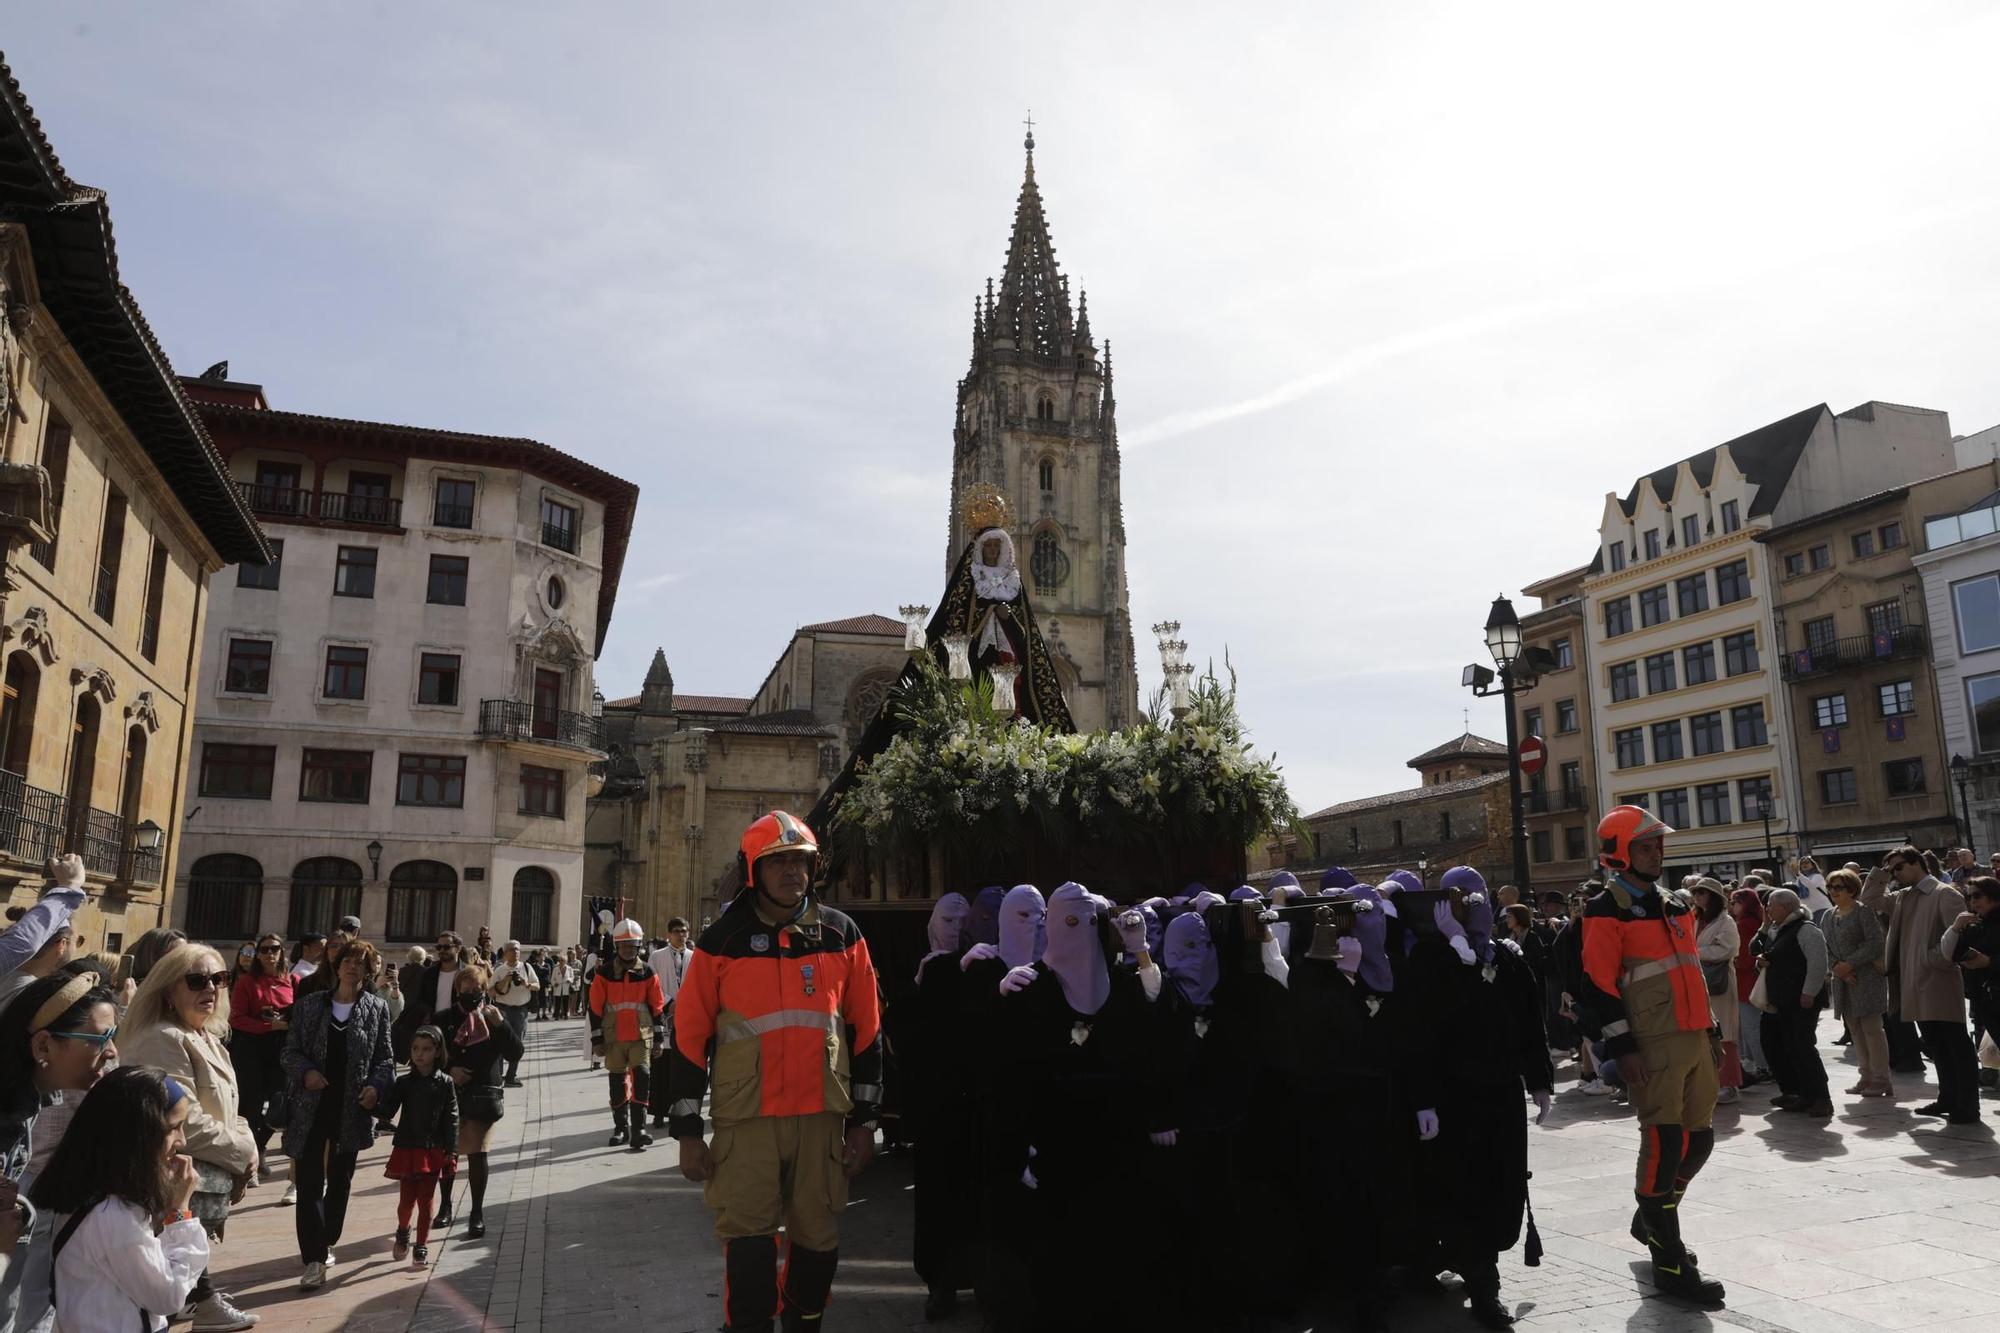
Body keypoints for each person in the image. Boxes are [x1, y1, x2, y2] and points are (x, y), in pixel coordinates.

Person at [669, 810, 882, 1333]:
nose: (792, 871)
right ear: (753, 871)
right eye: (777, 861)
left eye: (800, 861)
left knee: (818, 1239)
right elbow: (687, 1041)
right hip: (749, 1122)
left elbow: (869, 1030)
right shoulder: (721, 941)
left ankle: (803, 1323)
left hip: (820, 1118)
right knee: (748, 1244)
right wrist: (687, 1133)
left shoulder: (842, 935)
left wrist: (866, 1121)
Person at [1572, 807, 1725, 1305]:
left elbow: (1692, 970)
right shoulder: (1605, 907)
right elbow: (1596, 983)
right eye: (1645, 845)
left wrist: (1712, 1031)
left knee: (1698, 1142)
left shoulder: (1675, 903)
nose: (1656, 853)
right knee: (1662, 1146)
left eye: (1659, 844)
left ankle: (1650, 1218)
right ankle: (1669, 1260)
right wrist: (1622, 1045)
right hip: (1651, 1042)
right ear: (1619, 852)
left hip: (1693, 1036)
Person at [120, 942, 259, 1332]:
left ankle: (196, 1298)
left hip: (200, 1170)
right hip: (169, 1173)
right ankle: (201, 1301)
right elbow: (185, 1121)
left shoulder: (205, 1035)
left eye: (219, 979)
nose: (211, 989)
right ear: (168, 990)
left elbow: (231, 1108)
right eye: (197, 980)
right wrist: (244, 1152)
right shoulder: (163, 1038)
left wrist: (247, 1147)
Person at [28, 1067, 209, 1333]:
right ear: (139, 1136)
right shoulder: (113, 1215)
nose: (181, 1140)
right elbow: (168, 1297)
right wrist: (180, 1214)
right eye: (173, 1128)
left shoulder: (93, 1198)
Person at [0, 973, 118, 1333]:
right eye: (99, 1039)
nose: (111, 1051)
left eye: (113, 1036)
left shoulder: (25, 1108)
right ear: (43, 1047)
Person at [280, 939, 394, 1290]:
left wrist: (376, 1086)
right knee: (310, 1180)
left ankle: (327, 1237)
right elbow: (289, 1052)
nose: (353, 967)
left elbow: (386, 1058)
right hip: (311, 1106)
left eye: (362, 962)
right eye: (348, 960)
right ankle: (314, 1258)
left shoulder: (376, 1009)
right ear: (337, 965)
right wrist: (306, 1073)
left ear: (369, 970)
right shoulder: (311, 1005)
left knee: (340, 1180)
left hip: (351, 1108)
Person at [1883, 847, 1982, 1122]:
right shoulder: (1903, 895)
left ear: (1918, 863)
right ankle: (1947, 1098)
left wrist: (1930, 959)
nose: (1895, 874)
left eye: (1899, 868)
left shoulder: (1944, 893)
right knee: (1937, 1047)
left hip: (1938, 981)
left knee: (1956, 1047)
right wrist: (1882, 871)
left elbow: (1961, 938)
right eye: (1892, 871)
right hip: (1913, 983)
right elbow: (1870, 900)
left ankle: (1967, 1106)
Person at [439, 961, 520, 1240]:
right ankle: (445, 1205)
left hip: (482, 1094)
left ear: (485, 990)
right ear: (457, 990)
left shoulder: (493, 1017)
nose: (472, 993)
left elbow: (515, 1053)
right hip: (449, 1094)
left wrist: (501, 1025)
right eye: (466, 988)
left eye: (477, 988)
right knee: (447, 1153)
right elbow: (426, 1056)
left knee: (478, 1154)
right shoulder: (444, 1019)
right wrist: (450, 1070)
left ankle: (476, 1213)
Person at [376, 1025, 457, 1267]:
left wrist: (451, 1149)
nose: (419, 1054)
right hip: (407, 1148)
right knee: (405, 1202)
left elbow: (452, 1117)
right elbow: (388, 1111)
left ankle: (421, 1245)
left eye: (426, 1049)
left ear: (437, 1052)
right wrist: (370, 1103)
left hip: (433, 1149)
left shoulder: (445, 1082)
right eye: (415, 1049)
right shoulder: (404, 1083)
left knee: (427, 1201)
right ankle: (403, 1230)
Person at [1751, 888, 1831, 1117]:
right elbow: (1754, 948)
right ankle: (1800, 1093)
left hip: (1801, 1000)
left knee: (1803, 1047)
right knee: (1786, 1047)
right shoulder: (1776, 929)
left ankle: (1821, 1097)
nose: (1767, 909)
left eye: (1771, 906)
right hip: (1782, 1000)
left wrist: (1809, 992)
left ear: (1785, 907)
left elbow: (1818, 963)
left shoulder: (1806, 929)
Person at [587, 920, 666, 1150]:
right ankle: (620, 1128)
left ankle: (639, 1129)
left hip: (641, 1036)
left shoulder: (649, 973)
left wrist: (659, 1039)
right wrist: (597, 1039)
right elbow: (595, 1008)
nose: (628, 950)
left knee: (642, 1076)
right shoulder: (604, 973)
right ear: (617, 946)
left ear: (639, 946)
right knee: (617, 1082)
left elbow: (657, 1007)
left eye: (632, 946)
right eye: (624, 946)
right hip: (614, 1038)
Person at [227, 934, 293, 1176]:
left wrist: (286, 1023)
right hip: (252, 1047)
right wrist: (268, 1026)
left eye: (274, 949)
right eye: (264, 950)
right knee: (251, 1104)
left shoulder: (292, 980)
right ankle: (248, 1159)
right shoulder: (247, 982)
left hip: (281, 1047)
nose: (269, 954)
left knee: (280, 1102)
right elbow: (236, 1018)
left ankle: (260, 1147)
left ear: (282, 951)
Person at [1823, 869, 1891, 1097]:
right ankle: (1866, 1076)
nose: (1833, 891)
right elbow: (1826, 948)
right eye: (1831, 887)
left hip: (1867, 979)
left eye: (1838, 887)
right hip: (1843, 981)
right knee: (1855, 1031)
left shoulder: (1863, 912)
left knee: (1872, 1030)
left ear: (1852, 890)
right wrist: (1839, 970)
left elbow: (1875, 943)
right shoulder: (1828, 916)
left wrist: (1849, 964)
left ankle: (1881, 1079)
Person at [0, 858, 87, 1009]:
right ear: (61, 945)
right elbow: (22, 944)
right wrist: (70, 886)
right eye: (77, 941)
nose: (76, 947)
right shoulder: (39, 997)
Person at [1688, 880, 1741, 1104]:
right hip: (1698, 981)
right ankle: (1710, 1082)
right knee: (1705, 1033)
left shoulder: (1725, 921)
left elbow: (1729, 948)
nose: (1697, 896)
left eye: (1702, 892)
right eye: (1695, 892)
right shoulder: (1694, 918)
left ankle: (1729, 1084)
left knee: (1725, 1032)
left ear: (1713, 896)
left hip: (1719, 981)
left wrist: (1694, 952)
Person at [1948, 876, 2000, 1074]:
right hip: (1984, 1000)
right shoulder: (1974, 924)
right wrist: (1956, 927)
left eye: (1978, 896)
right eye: (1969, 897)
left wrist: (1989, 961)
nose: (1973, 902)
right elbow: (1953, 954)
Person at [645, 921, 694, 1130]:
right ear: (669, 934)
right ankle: (658, 1112)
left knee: (681, 1070)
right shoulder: (657, 956)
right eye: (677, 931)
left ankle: (679, 1111)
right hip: (664, 1014)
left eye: (684, 931)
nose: (681, 935)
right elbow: (651, 983)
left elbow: (698, 984)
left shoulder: (695, 957)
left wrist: (684, 1005)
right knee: (661, 1068)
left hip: (687, 1015)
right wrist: (668, 1003)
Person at [393, 932, 464, 1064]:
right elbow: (421, 999)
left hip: (459, 1029)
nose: (442, 951)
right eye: (439, 947)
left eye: (446, 947)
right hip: (434, 1028)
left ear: (458, 948)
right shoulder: (429, 973)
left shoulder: (466, 973)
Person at [1727, 888, 1771, 1083]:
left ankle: (1763, 1066)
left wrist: (1730, 962)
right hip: (1753, 981)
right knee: (1752, 1027)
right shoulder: (1756, 922)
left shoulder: (1744, 925)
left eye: (1735, 902)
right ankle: (1759, 1064)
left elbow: (1744, 959)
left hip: (1746, 982)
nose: (1732, 906)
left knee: (1751, 1028)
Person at [488, 942, 538, 1088]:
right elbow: (491, 992)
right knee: (499, 1043)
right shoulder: (500, 970)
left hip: (521, 1011)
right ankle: (498, 1076)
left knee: (517, 1044)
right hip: (503, 1009)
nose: (515, 952)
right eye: (512, 949)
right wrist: (505, 980)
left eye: (517, 949)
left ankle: (511, 1077)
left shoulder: (527, 968)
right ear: (505, 953)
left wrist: (526, 983)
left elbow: (538, 986)